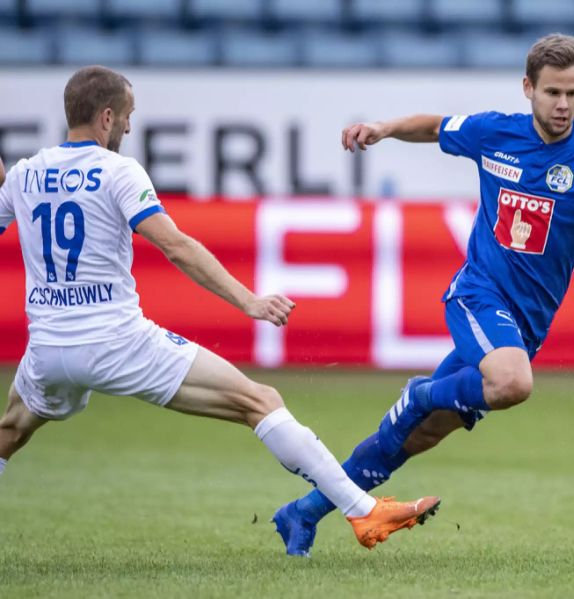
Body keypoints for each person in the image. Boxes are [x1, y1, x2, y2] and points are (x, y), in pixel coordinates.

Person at [0, 65, 440, 554]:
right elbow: (176, 246)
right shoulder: (117, 170)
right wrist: (248, 301)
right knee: (260, 401)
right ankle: (362, 512)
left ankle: (356, 510)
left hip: (47, 349)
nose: (129, 127)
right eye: (127, 117)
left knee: (12, 431)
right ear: (107, 117)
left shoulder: (25, 173)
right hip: (115, 341)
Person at [271, 33, 574, 556]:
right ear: (528, 88)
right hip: (478, 294)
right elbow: (434, 127)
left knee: (421, 435)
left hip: (525, 325)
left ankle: (302, 513)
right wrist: (382, 128)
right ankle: (421, 392)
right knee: (512, 384)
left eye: (573, 93)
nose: (563, 105)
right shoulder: (494, 132)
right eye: (552, 93)